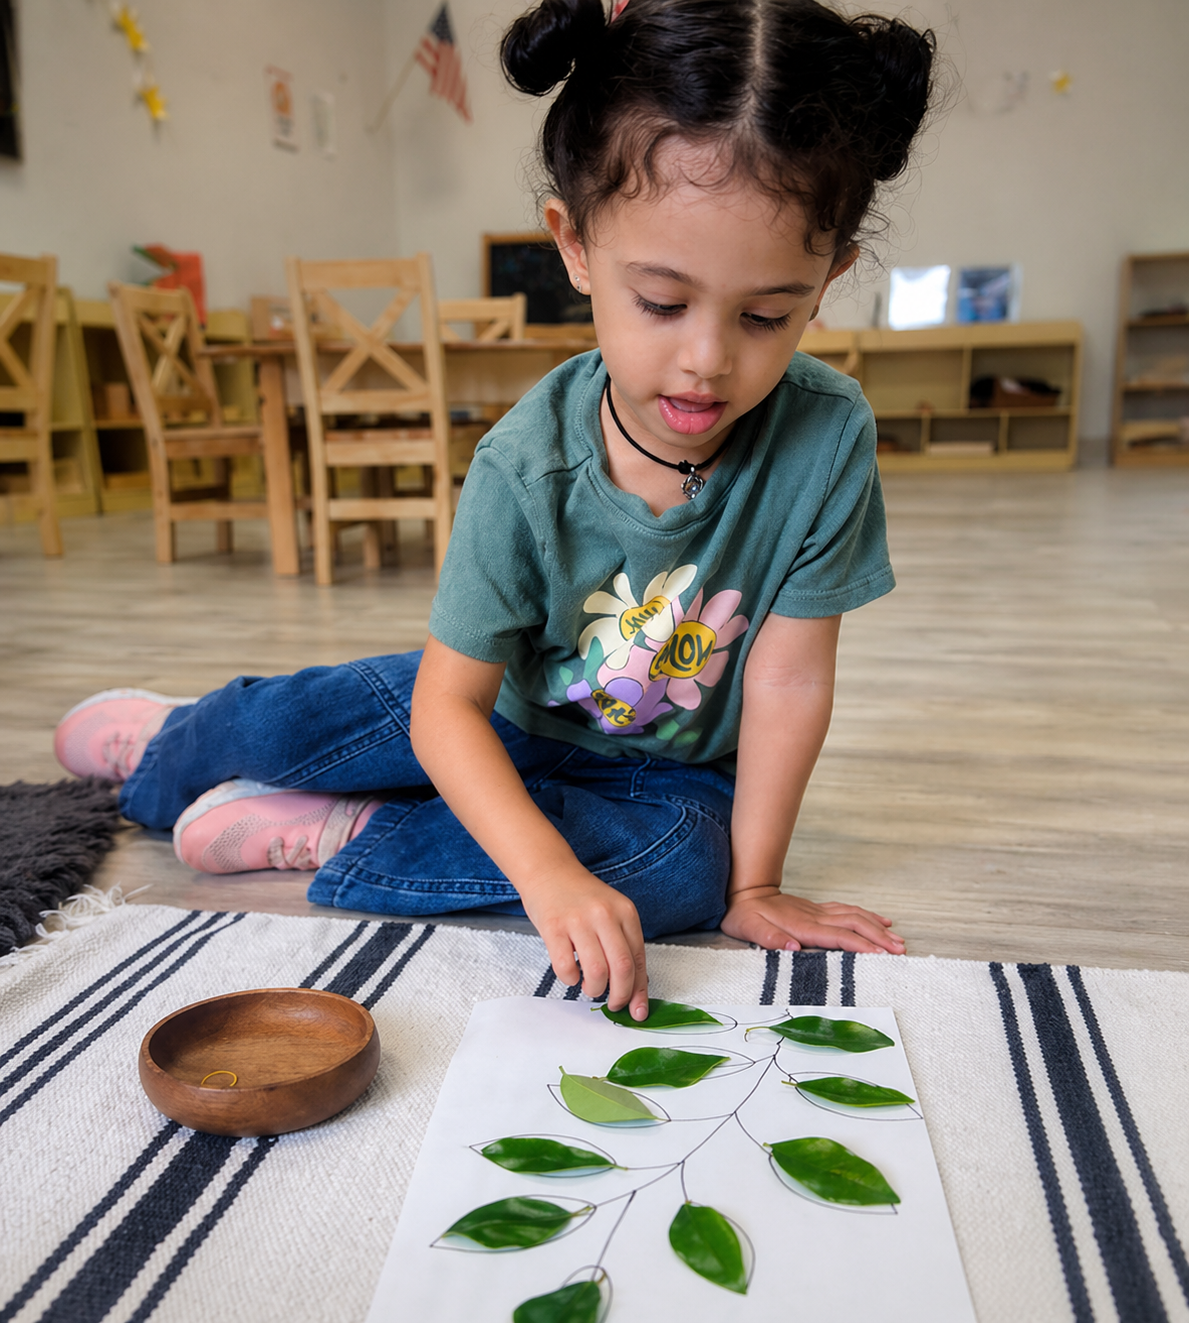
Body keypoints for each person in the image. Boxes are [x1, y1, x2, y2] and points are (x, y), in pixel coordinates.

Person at [54, 0, 938, 1021]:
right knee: (304, 715)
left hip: (664, 778)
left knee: (679, 875)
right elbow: (447, 708)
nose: (707, 358)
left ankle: (345, 830)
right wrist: (539, 866)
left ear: (826, 278)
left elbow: (785, 679)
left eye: (764, 315)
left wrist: (751, 887)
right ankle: (174, 743)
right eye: (660, 302)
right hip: (497, 713)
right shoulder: (525, 460)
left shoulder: (827, 438)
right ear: (574, 244)